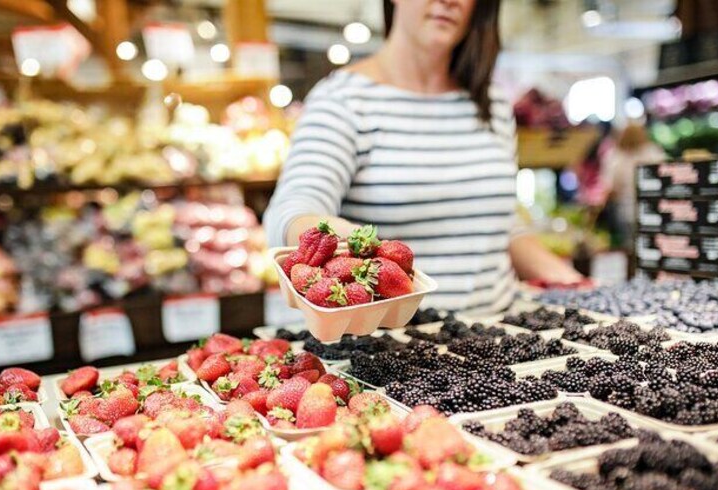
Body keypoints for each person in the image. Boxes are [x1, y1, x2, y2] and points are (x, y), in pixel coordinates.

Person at [263, 0, 583, 312]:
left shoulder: (492, 104)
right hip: (392, 353)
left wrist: (569, 282)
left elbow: (497, 224)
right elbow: (292, 210)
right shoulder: (343, 101)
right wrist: (351, 242)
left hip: (497, 344)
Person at [600, 123, 666, 250]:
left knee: (630, 247)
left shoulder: (615, 157)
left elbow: (610, 187)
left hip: (626, 210)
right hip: (653, 209)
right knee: (651, 246)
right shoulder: (654, 152)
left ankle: (631, 267)